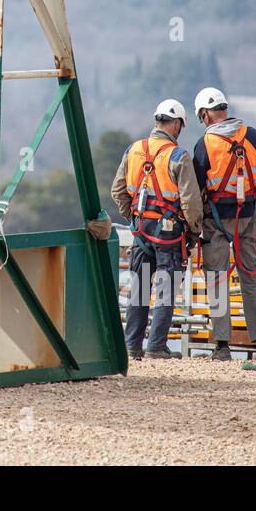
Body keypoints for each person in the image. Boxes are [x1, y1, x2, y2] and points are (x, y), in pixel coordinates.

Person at [191, 87, 256, 361]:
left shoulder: (204, 143)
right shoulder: (252, 135)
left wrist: (193, 227)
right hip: (249, 219)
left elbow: (197, 190)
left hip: (216, 222)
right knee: (254, 277)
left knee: (218, 280)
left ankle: (222, 346)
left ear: (206, 114)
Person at [111, 99, 203, 360]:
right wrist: (193, 232)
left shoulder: (134, 150)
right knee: (166, 288)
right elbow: (191, 202)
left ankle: (132, 346)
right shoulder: (178, 156)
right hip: (169, 233)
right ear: (175, 124)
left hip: (140, 232)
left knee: (139, 288)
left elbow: (117, 191)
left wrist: (134, 218)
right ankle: (156, 347)